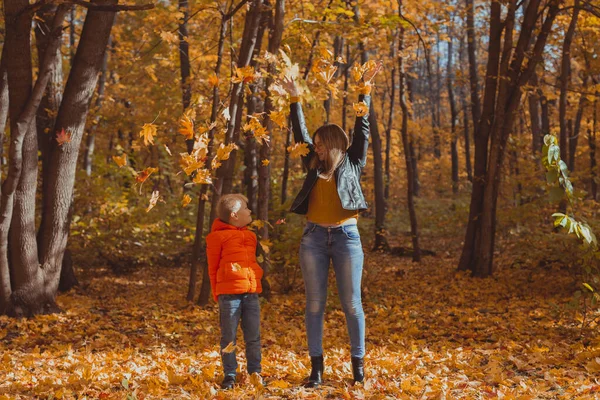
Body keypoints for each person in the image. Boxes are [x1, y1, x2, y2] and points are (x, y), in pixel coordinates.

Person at [280, 61, 382, 387]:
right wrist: (294, 99)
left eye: (323, 144)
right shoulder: (312, 163)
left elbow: (362, 128)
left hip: (346, 237)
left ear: (335, 144)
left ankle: (358, 368)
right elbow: (301, 134)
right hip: (312, 238)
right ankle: (317, 369)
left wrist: (364, 90)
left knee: (352, 303)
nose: (317, 147)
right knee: (314, 305)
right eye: (317, 144)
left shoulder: (353, 161)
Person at [206, 194, 263, 390]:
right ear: (234, 215)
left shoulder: (251, 236)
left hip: (251, 293)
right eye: (245, 209)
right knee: (229, 337)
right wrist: (217, 293)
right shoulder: (217, 237)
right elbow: (212, 268)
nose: (249, 211)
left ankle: (255, 372)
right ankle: (229, 375)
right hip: (228, 295)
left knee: (253, 336)